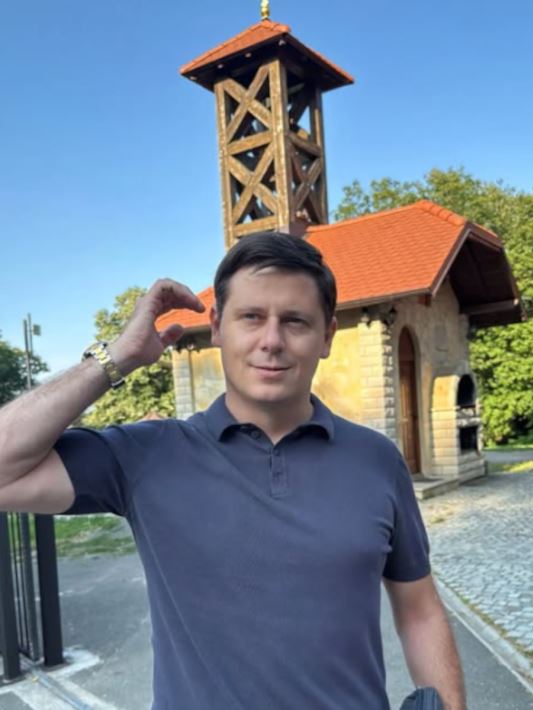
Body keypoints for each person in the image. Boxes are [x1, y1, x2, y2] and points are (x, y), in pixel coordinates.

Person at [0, 232, 466, 710]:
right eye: (251, 317)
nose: (272, 341)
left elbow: (419, 609)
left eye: (295, 321)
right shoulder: (146, 455)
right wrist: (116, 357)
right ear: (217, 327)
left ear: (326, 336)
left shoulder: (377, 460)